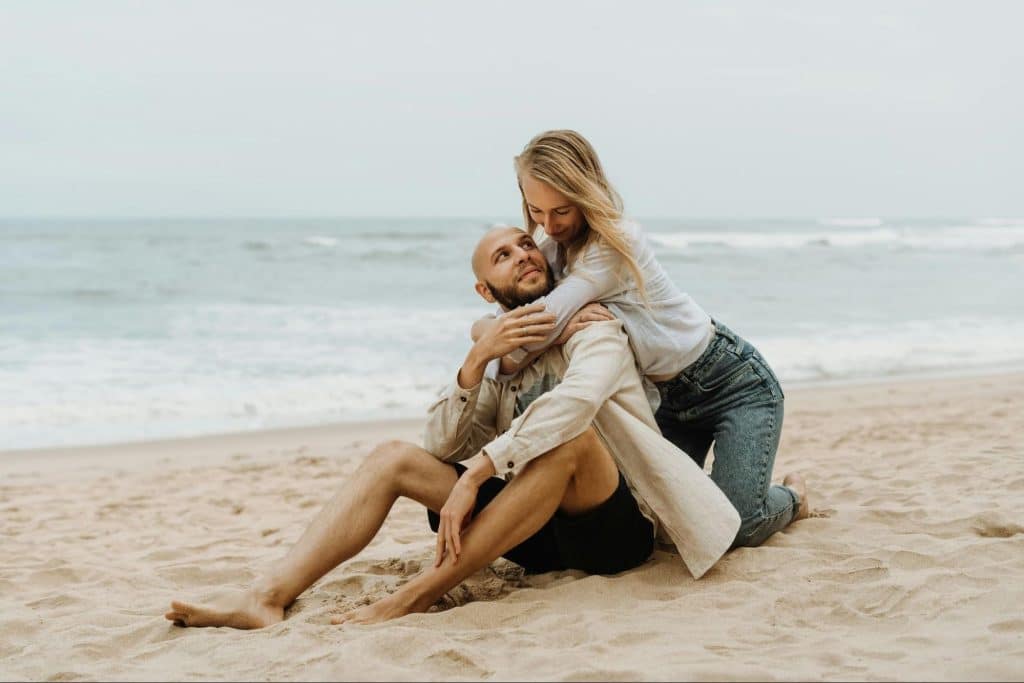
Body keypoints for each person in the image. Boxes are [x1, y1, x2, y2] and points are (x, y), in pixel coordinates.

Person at [164, 226, 743, 630]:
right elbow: (441, 446)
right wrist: (475, 363)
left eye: (524, 245)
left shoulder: (596, 329)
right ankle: (266, 599)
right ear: (485, 292)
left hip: (609, 531)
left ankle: (417, 595)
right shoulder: (495, 348)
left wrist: (478, 474)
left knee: (572, 439)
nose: (523, 254)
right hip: (529, 535)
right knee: (394, 456)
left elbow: (572, 406)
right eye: (503, 257)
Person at [473, 130, 810, 548]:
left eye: (561, 210)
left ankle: (794, 496)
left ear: (586, 190)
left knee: (738, 528)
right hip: (664, 401)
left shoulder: (615, 242)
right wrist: (486, 333)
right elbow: (509, 322)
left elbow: (538, 324)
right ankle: (730, 484)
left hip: (731, 384)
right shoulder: (552, 246)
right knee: (667, 527)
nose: (549, 225)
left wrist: (534, 333)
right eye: (536, 210)